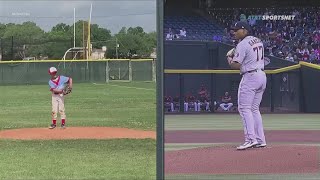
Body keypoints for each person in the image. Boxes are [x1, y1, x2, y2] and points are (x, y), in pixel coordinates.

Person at [227, 21, 267, 150]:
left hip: (250, 76)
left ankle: (250, 139)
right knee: (254, 109)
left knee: (244, 109)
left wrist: (229, 58)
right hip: (261, 75)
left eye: (237, 29)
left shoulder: (242, 44)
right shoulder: (258, 40)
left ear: (245, 31)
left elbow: (235, 65)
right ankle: (260, 139)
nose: (234, 32)